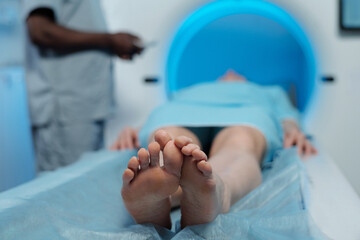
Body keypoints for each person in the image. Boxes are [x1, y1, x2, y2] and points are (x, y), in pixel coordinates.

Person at [111, 70, 317, 229]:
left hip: (242, 111)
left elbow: (288, 117)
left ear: (244, 79)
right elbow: (162, 109)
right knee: (230, 144)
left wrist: (292, 129)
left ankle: (183, 193)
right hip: (193, 111)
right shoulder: (187, 91)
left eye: (237, 72)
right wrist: (136, 129)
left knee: (231, 139)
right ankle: (205, 191)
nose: (230, 71)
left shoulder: (268, 91)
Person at [23, 0, 143, 171]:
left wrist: (111, 46)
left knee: (84, 181)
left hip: (86, 105)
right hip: (65, 108)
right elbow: (40, 31)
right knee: (66, 186)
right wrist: (109, 40)